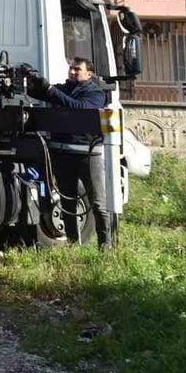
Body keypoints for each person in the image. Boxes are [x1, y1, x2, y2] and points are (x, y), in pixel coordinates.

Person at [29, 57, 112, 247]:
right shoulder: (64, 89)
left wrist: (51, 91)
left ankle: (105, 247)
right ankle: (73, 245)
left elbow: (78, 108)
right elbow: (45, 95)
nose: (73, 72)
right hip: (63, 154)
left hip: (88, 155)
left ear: (89, 74)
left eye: (77, 69)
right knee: (67, 203)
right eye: (71, 69)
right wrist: (33, 84)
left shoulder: (96, 93)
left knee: (98, 203)